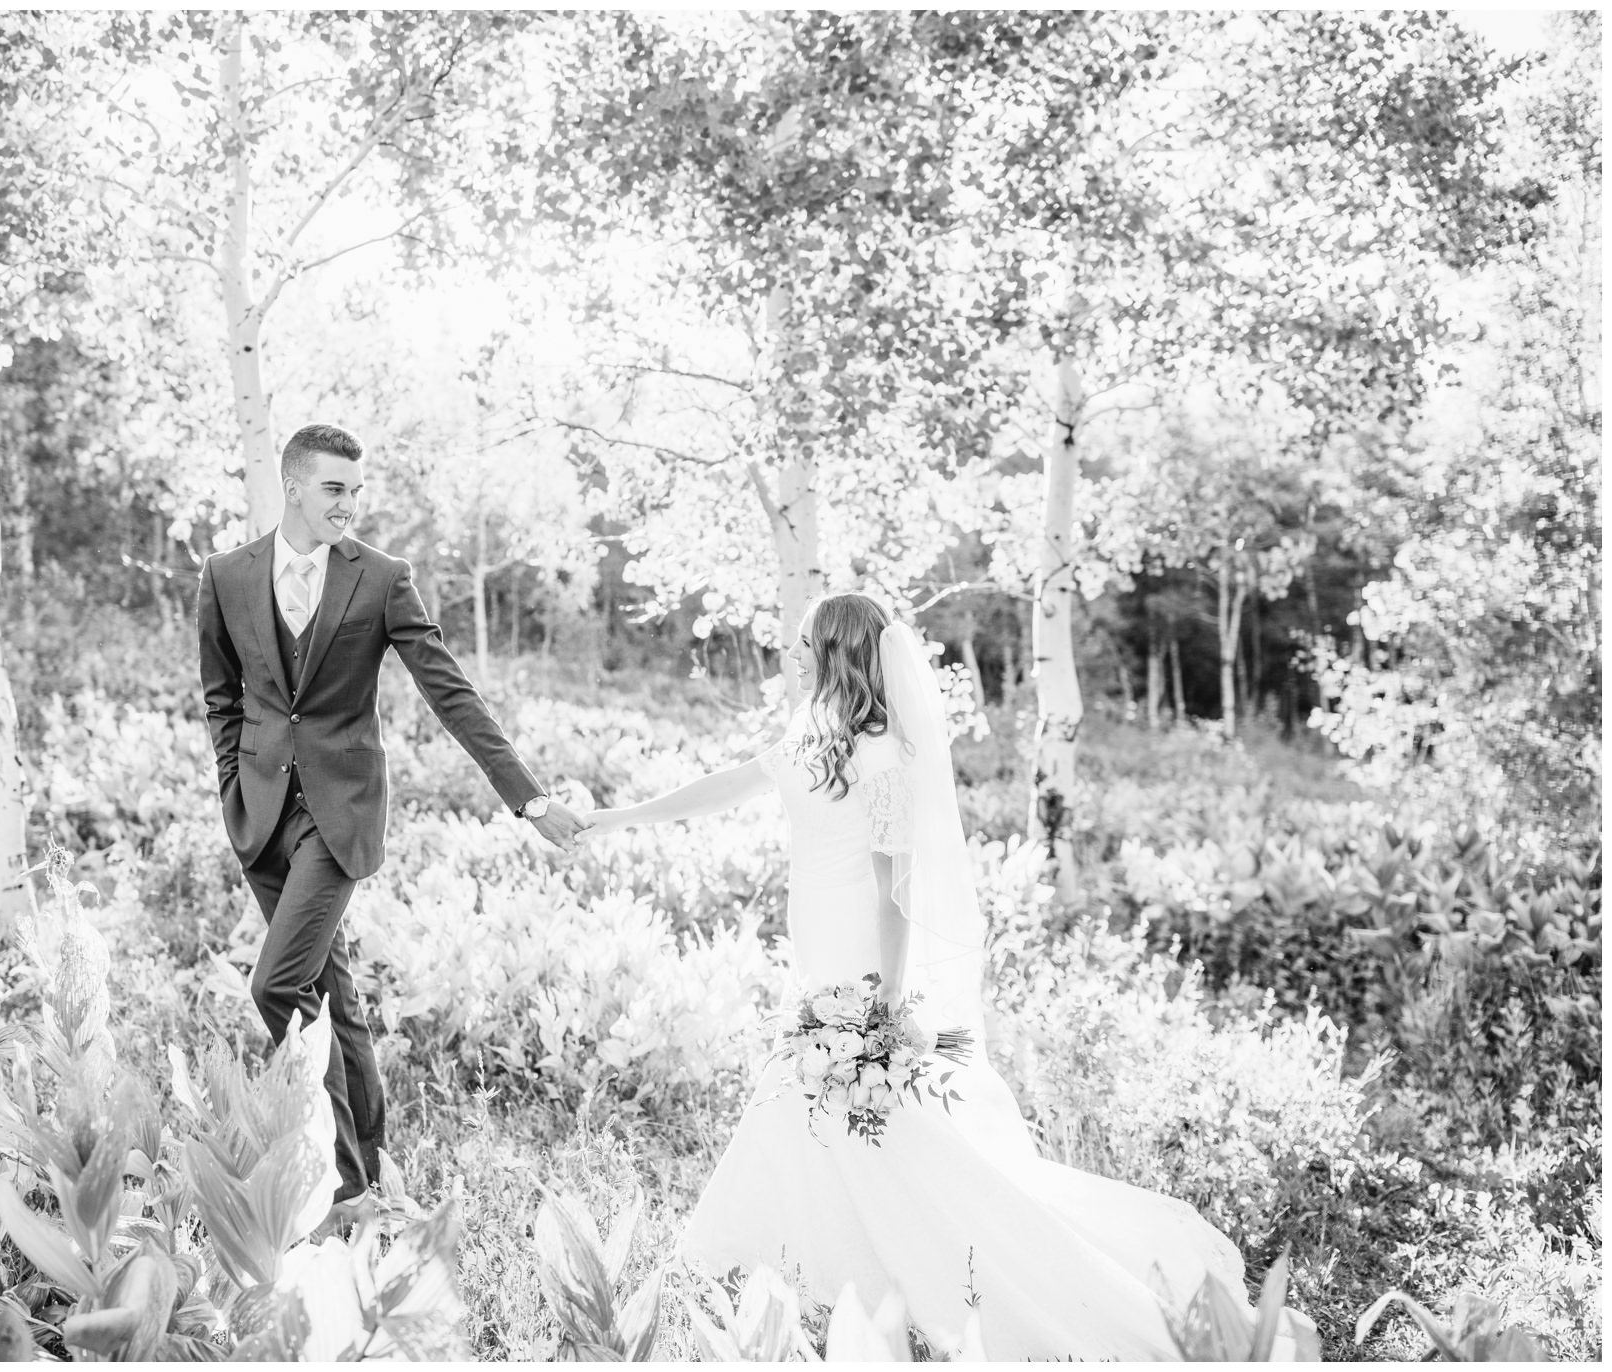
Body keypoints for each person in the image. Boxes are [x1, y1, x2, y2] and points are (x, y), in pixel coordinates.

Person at [582, 591, 1254, 1359]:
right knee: (831, 1109)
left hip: (860, 963)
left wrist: (885, 998)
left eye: (805, 643)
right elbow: (725, 787)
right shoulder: (813, 735)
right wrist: (615, 819)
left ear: (837, 652)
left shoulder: (881, 753)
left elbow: (892, 887)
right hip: (818, 950)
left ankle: (755, 1255)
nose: (794, 655)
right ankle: (806, 1263)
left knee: (827, 1101)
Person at [197, 422, 587, 1221]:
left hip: (341, 819)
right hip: (262, 818)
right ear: (294, 486)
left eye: (356, 490)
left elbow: (450, 690)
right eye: (334, 488)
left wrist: (529, 796)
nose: (349, 504)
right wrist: (233, 784)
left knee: (277, 987)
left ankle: (341, 1188)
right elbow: (222, 696)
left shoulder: (380, 578)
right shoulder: (226, 575)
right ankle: (372, 1179)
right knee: (330, 998)